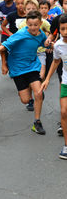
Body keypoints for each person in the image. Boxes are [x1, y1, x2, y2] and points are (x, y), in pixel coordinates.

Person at [0, 10, 47, 135]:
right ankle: (29, 89)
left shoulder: (41, 34)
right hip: (17, 68)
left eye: (36, 25)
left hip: (32, 66)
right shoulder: (21, 34)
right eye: (30, 25)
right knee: (25, 100)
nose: (33, 27)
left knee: (38, 94)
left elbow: (45, 43)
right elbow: (6, 44)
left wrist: (51, 44)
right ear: (27, 23)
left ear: (40, 24)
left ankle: (37, 122)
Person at [40, 14, 67, 159]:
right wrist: (47, 79)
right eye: (63, 29)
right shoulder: (58, 45)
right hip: (66, 82)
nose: (66, 31)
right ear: (59, 30)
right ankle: (66, 146)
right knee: (63, 112)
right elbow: (56, 62)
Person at [45, 0, 67, 136]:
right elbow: (53, 34)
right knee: (63, 87)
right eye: (66, 2)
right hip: (62, 57)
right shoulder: (58, 19)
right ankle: (63, 119)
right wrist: (49, 40)